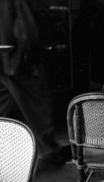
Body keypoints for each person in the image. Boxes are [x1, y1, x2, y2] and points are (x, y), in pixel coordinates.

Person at [0, 0, 65, 167]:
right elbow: (28, 32)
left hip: (4, 58)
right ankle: (49, 150)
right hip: (17, 59)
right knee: (38, 104)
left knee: (5, 105)